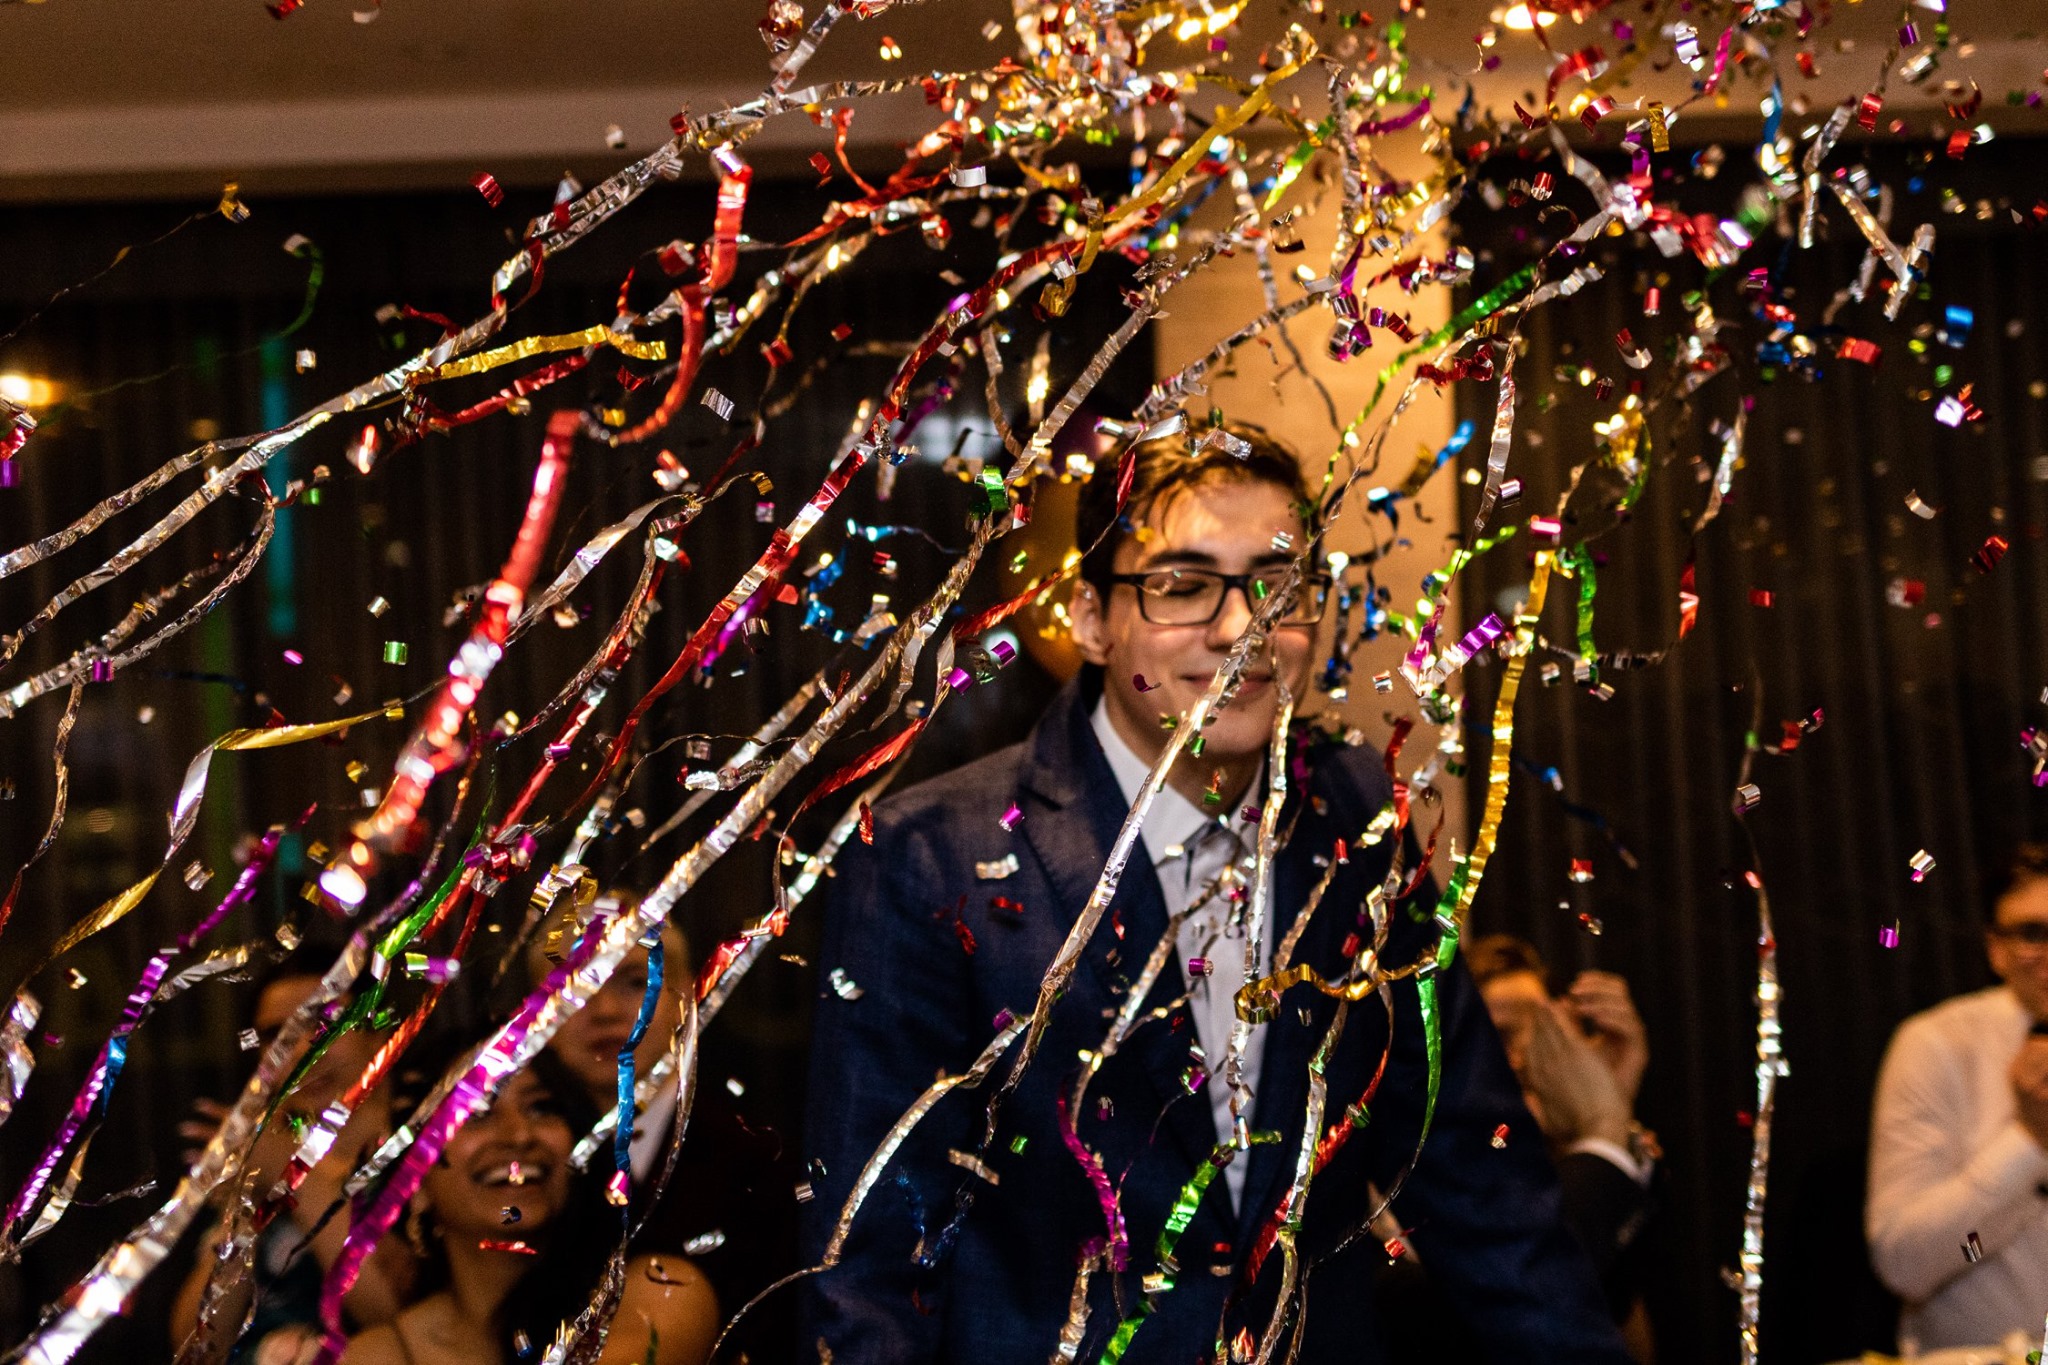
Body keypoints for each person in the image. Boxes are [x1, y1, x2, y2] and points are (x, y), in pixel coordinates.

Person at [800, 421, 1630, 1363]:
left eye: (1276, 586)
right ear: (1090, 617)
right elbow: (869, 1267)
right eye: (1183, 585)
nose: (1240, 630)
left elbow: (1484, 1194)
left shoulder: (1362, 822)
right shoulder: (929, 855)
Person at [339, 1051, 718, 1365]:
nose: (519, 1134)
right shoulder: (382, 1353)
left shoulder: (660, 1290)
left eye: (541, 1108)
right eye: (476, 1114)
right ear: (414, 1181)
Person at [526, 903, 794, 1328]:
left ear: (685, 995)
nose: (606, 1011)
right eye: (575, 988)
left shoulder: (754, 1154)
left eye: (635, 982)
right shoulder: (527, 1163)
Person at [170, 951, 415, 1364]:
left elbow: (394, 1312)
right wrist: (244, 1204)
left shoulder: (431, 1149)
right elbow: (197, 1350)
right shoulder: (259, 1163)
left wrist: (292, 1170)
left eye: (327, 1022)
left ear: (380, 1030)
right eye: (277, 1033)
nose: (303, 1048)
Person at [1868, 841, 2048, 1354]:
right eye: (2033, 934)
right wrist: (2030, 1142)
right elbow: (1907, 1266)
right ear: (1996, 949)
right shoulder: (1938, 1047)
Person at [1465, 935, 1658, 1356]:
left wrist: (1610, 1105)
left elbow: (1631, 1346)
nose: (1527, 1058)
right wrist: (1601, 1131)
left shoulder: (1574, 1166)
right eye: (1501, 1036)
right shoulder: (1439, 1181)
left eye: (1543, 1033)